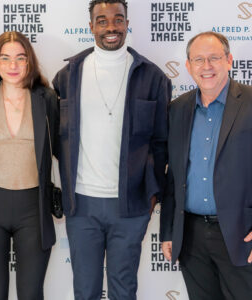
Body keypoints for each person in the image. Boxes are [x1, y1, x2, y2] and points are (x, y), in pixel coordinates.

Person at [160, 31, 252, 300]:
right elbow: (173, 177)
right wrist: (168, 231)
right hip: (191, 236)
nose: (206, 66)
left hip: (242, 235)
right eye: (198, 59)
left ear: (229, 60)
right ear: (188, 66)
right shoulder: (177, 109)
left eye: (214, 58)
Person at [52, 0, 170, 299]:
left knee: (123, 288)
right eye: (102, 21)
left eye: (118, 19)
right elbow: (57, 137)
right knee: (85, 289)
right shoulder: (68, 75)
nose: (111, 27)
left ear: (127, 23)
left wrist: (151, 193)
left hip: (130, 205)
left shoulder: (153, 77)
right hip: (82, 205)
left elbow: (161, 141)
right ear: (91, 26)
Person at [0, 31, 58, 300]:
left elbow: (63, 152)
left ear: (30, 62)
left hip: (33, 208)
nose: (13, 65)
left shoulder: (47, 99)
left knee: (31, 294)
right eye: (5, 58)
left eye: (21, 58)